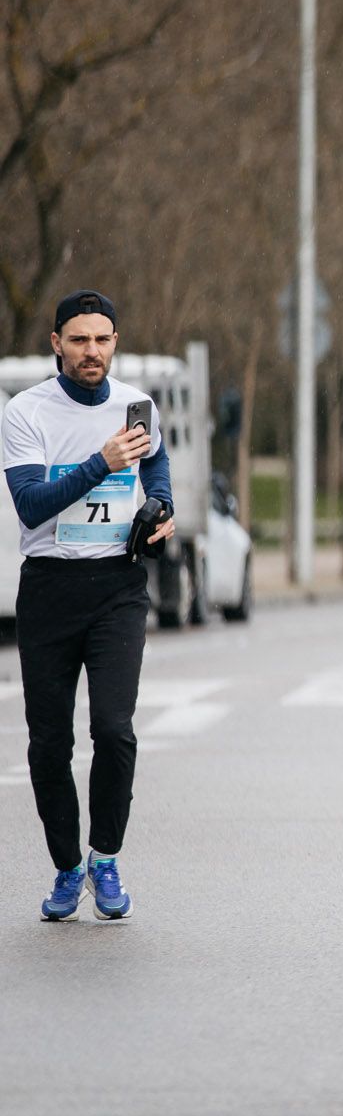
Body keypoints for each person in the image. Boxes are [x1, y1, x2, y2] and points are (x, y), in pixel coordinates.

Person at [3, 290, 175, 921]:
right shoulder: (26, 412)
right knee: (49, 744)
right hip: (50, 587)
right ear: (56, 345)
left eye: (102, 339)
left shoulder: (138, 406)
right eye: (79, 340)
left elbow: (156, 466)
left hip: (117, 588)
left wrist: (162, 509)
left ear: (115, 342)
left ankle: (104, 858)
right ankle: (66, 868)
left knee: (114, 728)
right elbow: (30, 503)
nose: (92, 351)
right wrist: (99, 463)